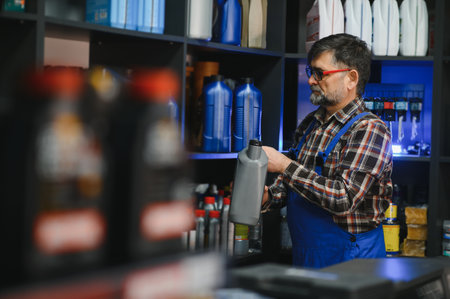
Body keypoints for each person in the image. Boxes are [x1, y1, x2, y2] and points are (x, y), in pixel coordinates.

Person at [261, 33, 393, 268]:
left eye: (320, 73)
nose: (311, 80)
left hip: (352, 260)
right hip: (307, 256)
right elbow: (292, 185)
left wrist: (284, 165)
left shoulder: (370, 129)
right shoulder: (310, 123)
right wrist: (269, 196)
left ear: (351, 78)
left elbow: (344, 198)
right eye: (310, 72)